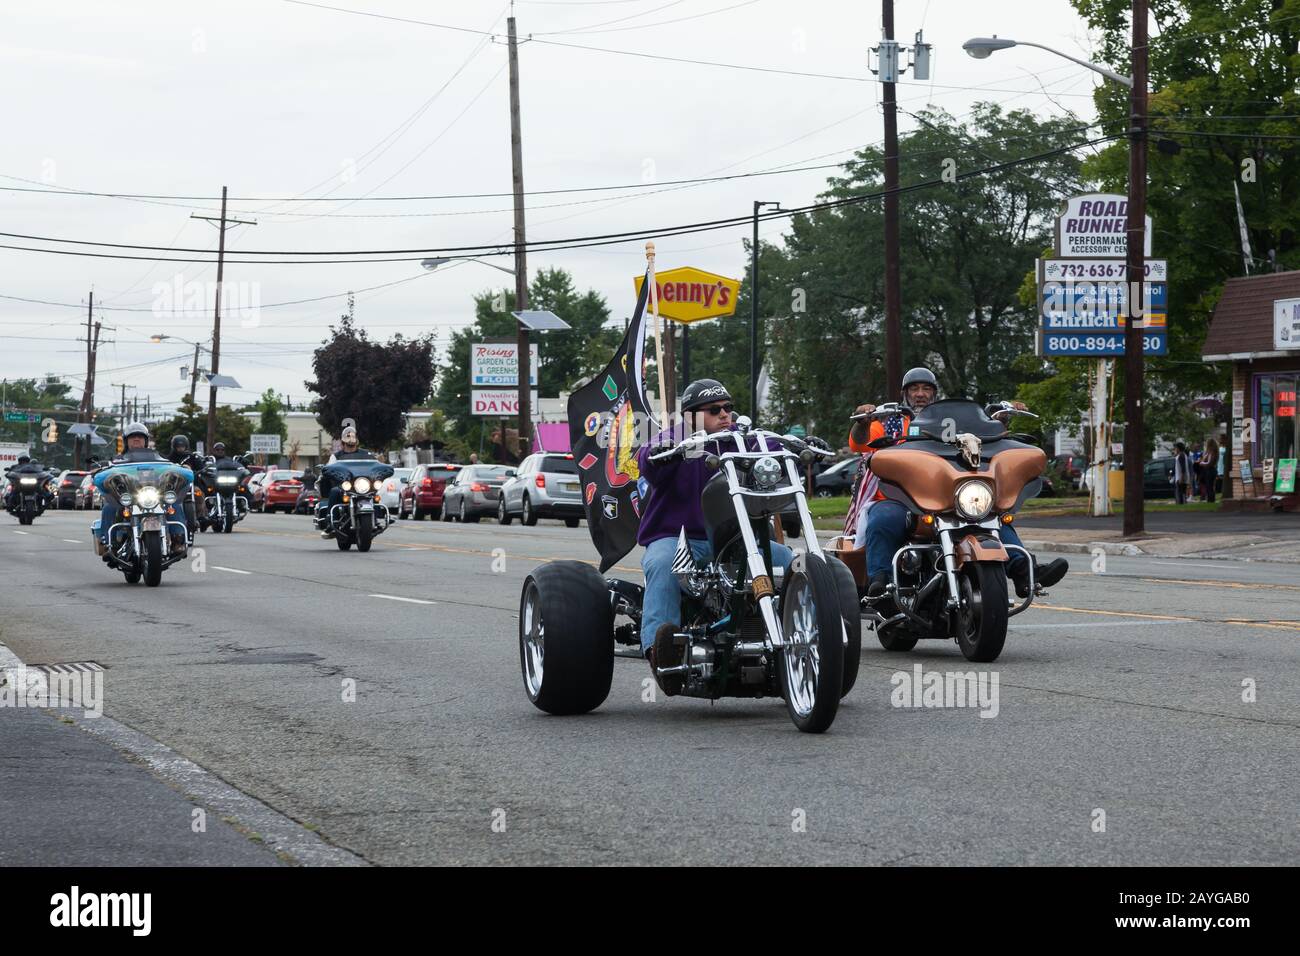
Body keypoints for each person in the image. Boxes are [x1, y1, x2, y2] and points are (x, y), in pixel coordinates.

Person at [848, 368, 1066, 606]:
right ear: (905, 393)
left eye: (926, 389)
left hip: (950, 498)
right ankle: (881, 582)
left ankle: (1025, 572)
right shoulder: (890, 423)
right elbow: (860, 443)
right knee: (883, 518)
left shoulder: (950, 423)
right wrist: (863, 421)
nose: (920, 394)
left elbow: (986, 439)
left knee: (993, 517)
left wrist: (1002, 419)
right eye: (914, 389)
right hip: (900, 498)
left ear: (934, 393)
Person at [636, 378, 795, 696]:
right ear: (691, 415)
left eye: (728, 407)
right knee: (663, 564)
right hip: (679, 538)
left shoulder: (740, 439)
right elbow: (647, 460)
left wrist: (794, 447)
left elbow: (771, 448)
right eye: (715, 410)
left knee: (789, 561)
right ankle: (661, 653)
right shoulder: (678, 439)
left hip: (734, 540)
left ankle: (794, 637)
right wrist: (662, 452)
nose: (725, 414)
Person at [96, 422, 170, 546]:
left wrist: (178, 468)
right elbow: (107, 472)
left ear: (145, 440)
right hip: (126, 496)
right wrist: (101, 469)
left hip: (153, 494)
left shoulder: (158, 458)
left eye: (140, 436)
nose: (136, 439)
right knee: (109, 507)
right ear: (126, 440)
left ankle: (178, 538)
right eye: (132, 436)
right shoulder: (118, 460)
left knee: (174, 504)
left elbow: (169, 467)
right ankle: (108, 541)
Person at [317, 425, 373, 536]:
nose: (351, 447)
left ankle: (380, 516)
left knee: (374, 493)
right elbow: (329, 468)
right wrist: (326, 470)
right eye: (348, 444)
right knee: (334, 491)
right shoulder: (336, 457)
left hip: (362, 486)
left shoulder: (366, 454)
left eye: (352, 444)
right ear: (343, 443)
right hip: (344, 486)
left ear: (356, 442)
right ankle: (330, 521)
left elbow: (374, 465)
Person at [1200, 438, 1219, 503]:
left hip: (1210, 471)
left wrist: (1202, 463)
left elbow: (1209, 463)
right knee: (1209, 486)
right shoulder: (1210, 452)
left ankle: (1211, 500)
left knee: (1209, 486)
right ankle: (1210, 499)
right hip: (1210, 470)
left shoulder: (1212, 452)